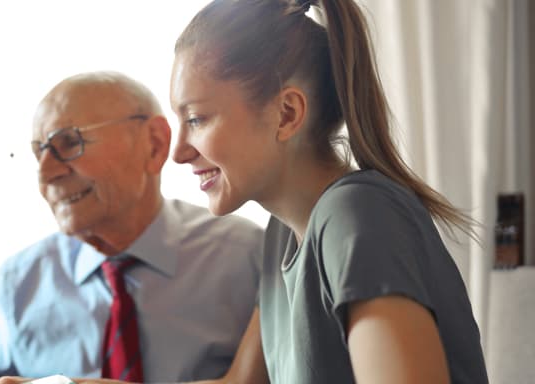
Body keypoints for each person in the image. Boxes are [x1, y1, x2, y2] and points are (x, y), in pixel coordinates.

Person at [0, 71, 265, 384]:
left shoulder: (247, 257)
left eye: (68, 143)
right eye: (39, 152)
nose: (46, 173)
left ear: (155, 144)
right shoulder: (22, 278)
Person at [169, 0, 489, 383]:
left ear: (286, 113)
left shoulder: (357, 215)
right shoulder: (282, 236)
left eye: (196, 119)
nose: (179, 152)